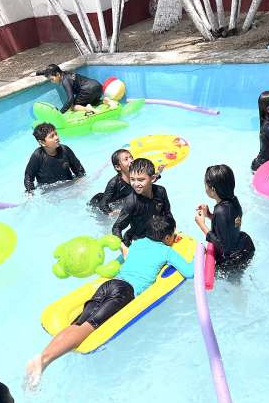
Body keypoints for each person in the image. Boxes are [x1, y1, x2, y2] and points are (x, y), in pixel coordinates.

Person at [26, 215, 194, 386]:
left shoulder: (137, 244)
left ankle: (42, 358)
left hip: (110, 284)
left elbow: (122, 260)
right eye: (173, 236)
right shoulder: (166, 250)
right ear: (167, 238)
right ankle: (44, 361)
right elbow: (189, 271)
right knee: (87, 328)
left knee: (77, 324)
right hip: (124, 292)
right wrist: (199, 255)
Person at [194, 164, 255, 269]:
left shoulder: (220, 211)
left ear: (213, 189)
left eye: (205, 184)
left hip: (231, 258)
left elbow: (221, 245)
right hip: (243, 246)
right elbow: (229, 223)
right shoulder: (234, 201)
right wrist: (209, 215)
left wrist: (201, 224)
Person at [112, 158, 172, 246]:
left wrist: (170, 232)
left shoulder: (161, 191)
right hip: (137, 239)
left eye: (140, 180)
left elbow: (167, 213)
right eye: (132, 179)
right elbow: (116, 228)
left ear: (153, 178)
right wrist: (123, 248)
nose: (135, 184)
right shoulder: (131, 202)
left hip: (157, 234)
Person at [24, 123, 85, 193]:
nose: (56, 137)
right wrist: (30, 192)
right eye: (52, 136)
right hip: (49, 191)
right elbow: (28, 177)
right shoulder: (37, 156)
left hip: (69, 185)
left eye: (56, 134)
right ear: (42, 142)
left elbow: (79, 170)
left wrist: (80, 184)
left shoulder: (65, 150)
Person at [36, 64, 116, 115]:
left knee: (73, 107)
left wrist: (60, 112)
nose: (52, 81)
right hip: (97, 86)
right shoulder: (64, 72)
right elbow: (52, 70)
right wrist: (38, 73)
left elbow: (70, 99)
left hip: (87, 90)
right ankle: (106, 100)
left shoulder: (65, 81)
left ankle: (88, 109)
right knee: (93, 102)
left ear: (58, 74)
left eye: (52, 79)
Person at [87, 149, 134, 214]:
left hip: (120, 200)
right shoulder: (114, 183)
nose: (131, 160)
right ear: (118, 167)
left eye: (131, 157)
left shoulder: (137, 178)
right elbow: (103, 205)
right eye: (126, 159)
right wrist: (112, 213)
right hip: (98, 204)